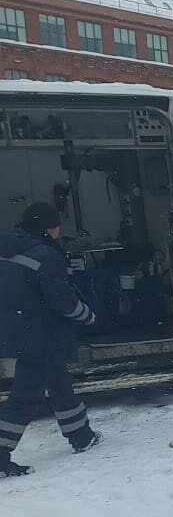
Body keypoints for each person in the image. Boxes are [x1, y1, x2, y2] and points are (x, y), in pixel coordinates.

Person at [1, 202, 102, 478]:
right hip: (39, 332)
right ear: (50, 228)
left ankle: (81, 435)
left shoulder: (9, 247)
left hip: (19, 327)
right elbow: (62, 299)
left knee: (58, 381)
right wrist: (87, 315)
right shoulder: (45, 254)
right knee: (26, 395)